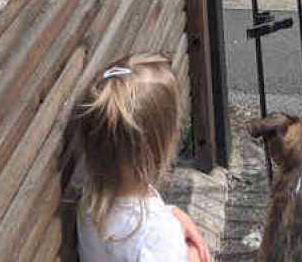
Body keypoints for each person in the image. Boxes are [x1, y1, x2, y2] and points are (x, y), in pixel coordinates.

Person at [72, 52, 212, 262]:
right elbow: (151, 239)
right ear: (162, 145)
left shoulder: (91, 203)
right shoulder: (159, 236)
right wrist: (191, 256)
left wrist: (172, 212)